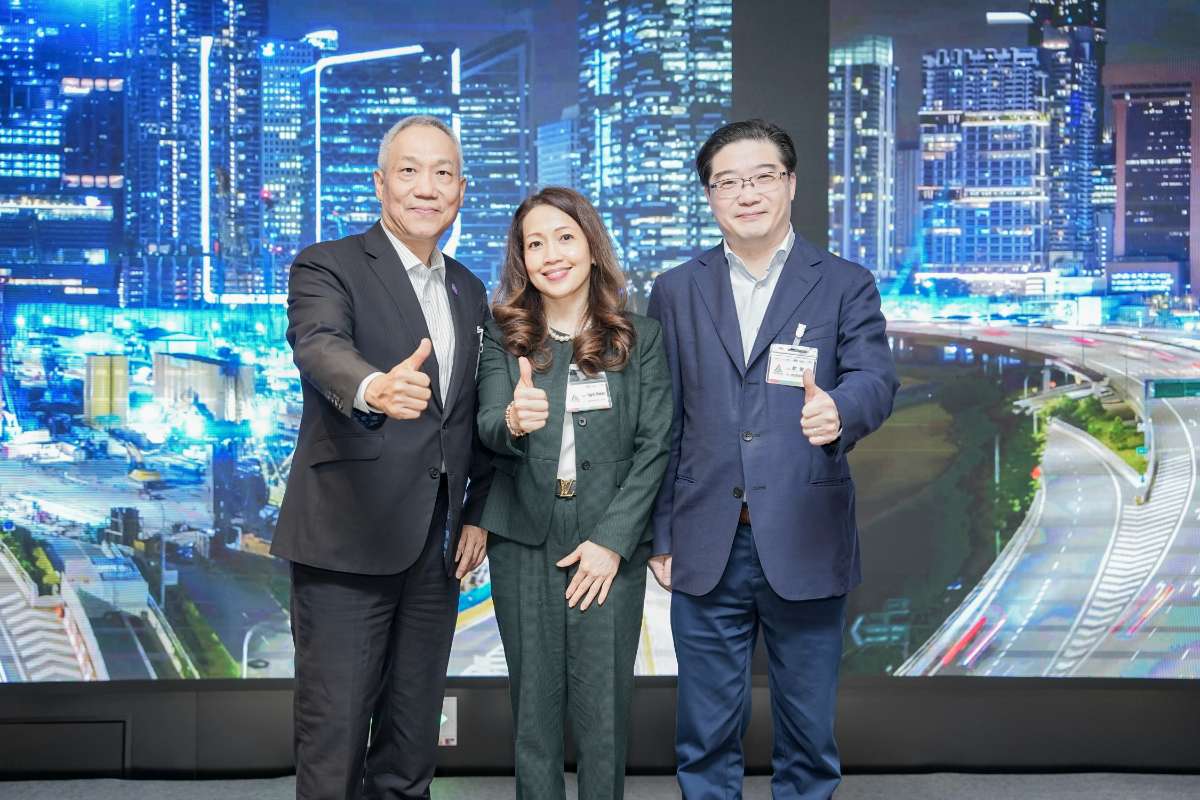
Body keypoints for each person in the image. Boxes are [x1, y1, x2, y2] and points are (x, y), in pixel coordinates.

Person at [646, 119, 898, 799]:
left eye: (762, 177)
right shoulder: (675, 289)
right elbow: (663, 420)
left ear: (790, 184)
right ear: (710, 196)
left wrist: (840, 409)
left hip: (806, 534)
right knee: (704, 737)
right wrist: (661, 532)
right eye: (727, 182)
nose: (746, 193)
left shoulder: (843, 283)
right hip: (705, 539)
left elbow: (876, 379)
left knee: (809, 738)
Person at [272, 115, 492, 800]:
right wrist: (373, 387)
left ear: (461, 190)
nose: (427, 187)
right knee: (334, 737)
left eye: (443, 173)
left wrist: (477, 512)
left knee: (410, 740)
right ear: (380, 183)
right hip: (348, 541)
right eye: (409, 171)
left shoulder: (468, 288)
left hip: (435, 552)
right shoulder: (327, 264)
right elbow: (319, 344)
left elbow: (470, 417)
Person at [476, 187, 672, 800]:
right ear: (522, 259)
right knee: (533, 717)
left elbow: (656, 446)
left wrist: (611, 543)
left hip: (607, 543)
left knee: (604, 717)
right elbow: (486, 425)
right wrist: (513, 420)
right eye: (535, 244)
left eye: (564, 237)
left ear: (591, 245)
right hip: (523, 538)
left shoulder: (641, 338)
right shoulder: (502, 336)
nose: (551, 254)